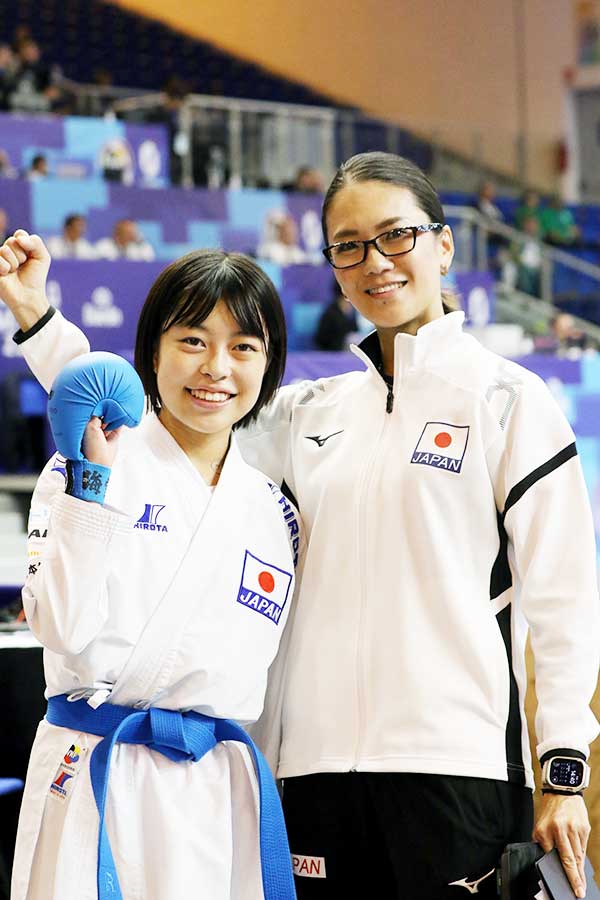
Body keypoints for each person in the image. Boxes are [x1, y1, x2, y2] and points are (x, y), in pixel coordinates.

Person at [2, 152, 599, 900]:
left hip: (454, 765)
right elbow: (161, 415)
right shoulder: (309, 414)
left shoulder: (513, 402)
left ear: (444, 245)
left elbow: (565, 601)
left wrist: (564, 771)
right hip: (309, 776)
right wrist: (40, 323)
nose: (374, 262)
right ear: (334, 267)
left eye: (396, 237)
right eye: (349, 246)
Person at [0, 231, 299, 900]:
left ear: (270, 363)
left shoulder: (275, 513)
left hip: (217, 793)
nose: (216, 368)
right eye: (192, 341)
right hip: (95, 774)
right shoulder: (89, 464)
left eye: (242, 347)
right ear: (153, 353)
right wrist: (91, 491)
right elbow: (65, 629)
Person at [313, 286, 358, 350]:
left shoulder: (352, 313)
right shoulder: (330, 314)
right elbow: (321, 339)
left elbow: (354, 332)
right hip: (332, 353)